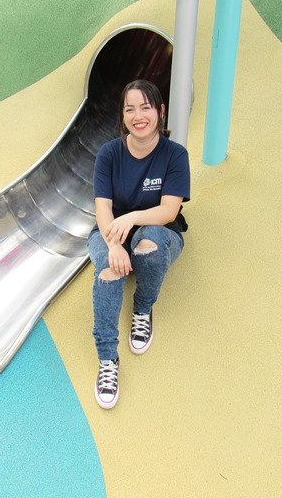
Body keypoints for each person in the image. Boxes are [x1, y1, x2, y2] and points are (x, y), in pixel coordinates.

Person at [88, 79, 190, 409]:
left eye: (146, 107)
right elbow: (103, 209)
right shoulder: (109, 154)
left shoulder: (174, 155)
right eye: (130, 109)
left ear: (160, 111)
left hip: (159, 231)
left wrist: (132, 219)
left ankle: (143, 308)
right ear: (122, 116)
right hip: (110, 233)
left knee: (151, 245)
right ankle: (108, 359)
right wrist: (114, 246)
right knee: (108, 269)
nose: (138, 116)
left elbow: (169, 210)